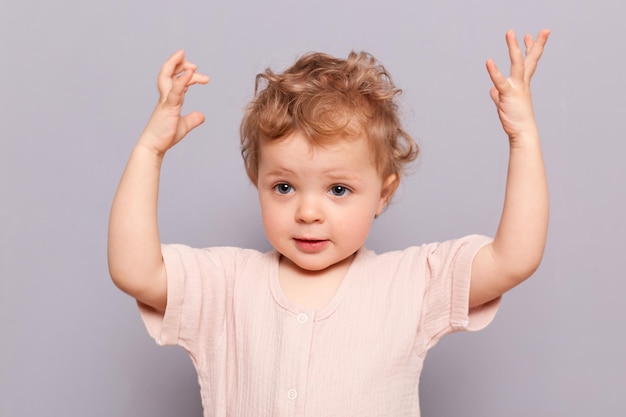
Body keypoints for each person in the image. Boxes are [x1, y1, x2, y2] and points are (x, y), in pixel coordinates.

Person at [108, 29, 550, 416]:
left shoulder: (411, 282)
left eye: (338, 190)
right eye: (283, 187)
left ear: (384, 193)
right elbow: (136, 271)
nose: (308, 212)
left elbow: (513, 258)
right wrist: (150, 151)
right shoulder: (226, 285)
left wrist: (523, 138)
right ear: (256, 181)